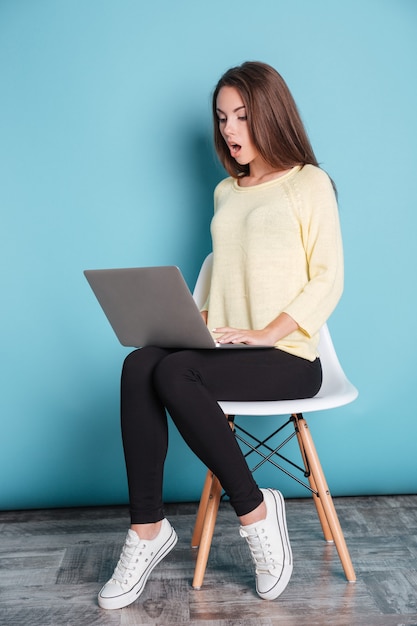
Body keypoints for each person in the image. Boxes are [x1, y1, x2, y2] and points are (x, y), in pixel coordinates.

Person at [98, 61, 343, 610]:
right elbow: (226, 277)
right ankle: (147, 529)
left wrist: (265, 332)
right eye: (222, 118)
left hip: (288, 355)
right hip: (228, 347)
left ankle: (256, 513)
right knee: (141, 362)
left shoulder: (310, 182)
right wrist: (194, 323)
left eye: (242, 116)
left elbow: (328, 277)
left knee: (170, 371)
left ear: (271, 114)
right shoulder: (226, 192)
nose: (229, 129)